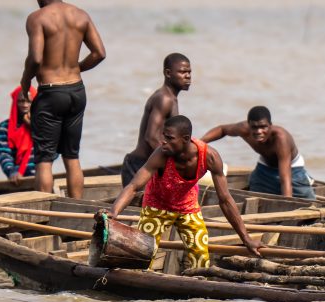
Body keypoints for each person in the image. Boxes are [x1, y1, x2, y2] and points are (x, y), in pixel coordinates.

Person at [108, 115, 262, 272]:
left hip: (188, 207)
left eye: (169, 138)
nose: (163, 141)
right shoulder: (161, 154)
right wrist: (114, 212)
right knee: (142, 254)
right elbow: (134, 186)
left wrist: (246, 239)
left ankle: (199, 285)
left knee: (201, 257)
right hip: (157, 205)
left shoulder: (209, 157)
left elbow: (225, 200)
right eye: (163, 136)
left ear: (186, 139)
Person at [20, 0, 107, 199]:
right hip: (77, 91)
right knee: (72, 156)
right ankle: (76, 211)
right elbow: (99, 53)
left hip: (51, 93)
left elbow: (36, 58)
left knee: (44, 159)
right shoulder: (81, 15)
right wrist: (77, 67)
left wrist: (25, 81)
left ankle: (42, 216)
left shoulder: (37, 18)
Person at [201, 106, 316, 199]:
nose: (259, 131)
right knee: (255, 191)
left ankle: (306, 185)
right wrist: (200, 143)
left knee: (306, 200)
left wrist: (287, 204)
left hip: (292, 170)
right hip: (265, 167)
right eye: (254, 127)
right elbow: (222, 129)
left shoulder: (281, 139)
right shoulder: (243, 129)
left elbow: (285, 178)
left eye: (263, 127)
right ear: (248, 126)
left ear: (270, 126)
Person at [122, 53, 192, 187]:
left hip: (149, 165)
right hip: (139, 166)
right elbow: (151, 137)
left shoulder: (171, 98)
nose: (188, 76)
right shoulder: (164, 99)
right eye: (182, 72)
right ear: (168, 73)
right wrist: (174, 164)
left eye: (189, 72)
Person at [0, 86, 37, 184]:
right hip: (17, 179)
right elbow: (4, 154)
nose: (25, 105)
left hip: (41, 177)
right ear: (15, 102)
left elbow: (52, 153)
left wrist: (35, 128)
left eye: (29, 101)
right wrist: (12, 172)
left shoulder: (45, 127)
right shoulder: (4, 127)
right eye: (21, 101)